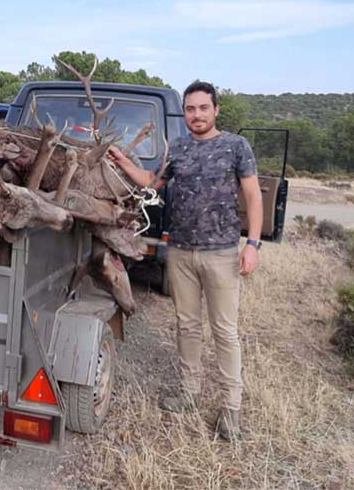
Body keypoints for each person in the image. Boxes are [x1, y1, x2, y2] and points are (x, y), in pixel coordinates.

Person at [107, 80, 263, 440]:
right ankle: (190, 394)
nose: (197, 115)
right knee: (187, 326)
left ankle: (231, 410)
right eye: (190, 109)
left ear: (216, 110)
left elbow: (254, 196)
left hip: (221, 253)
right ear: (185, 113)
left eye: (203, 108)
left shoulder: (236, 146)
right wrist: (123, 161)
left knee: (224, 331)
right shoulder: (177, 148)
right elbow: (152, 182)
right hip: (180, 251)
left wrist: (252, 244)